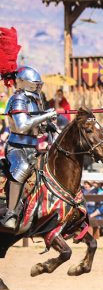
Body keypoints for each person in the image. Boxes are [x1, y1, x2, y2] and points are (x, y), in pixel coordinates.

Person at [1, 67, 58, 228]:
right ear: (25, 83)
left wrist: (48, 125)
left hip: (33, 146)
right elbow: (22, 126)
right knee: (22, 167)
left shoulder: (35, 99)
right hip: (17, 146)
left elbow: (37, 127)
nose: (38, 87)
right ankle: (10, 214)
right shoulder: (18, 99)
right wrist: (46, 115)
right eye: (35, 84)